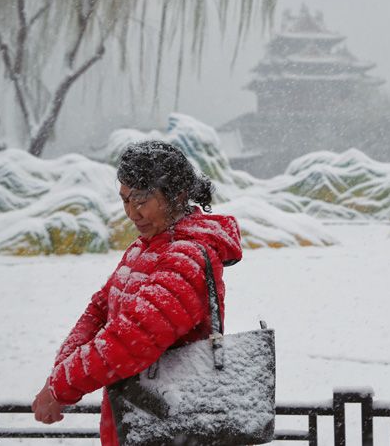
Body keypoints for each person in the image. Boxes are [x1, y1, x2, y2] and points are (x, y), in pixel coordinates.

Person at [31, 140, 242, 446]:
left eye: (141, 200)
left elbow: (132, 339)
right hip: (134, 418)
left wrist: (62, 386)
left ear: (177, 194)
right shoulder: (142, 249)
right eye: (125, 200)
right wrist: (61, 372)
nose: (131, 212)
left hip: (173, 423)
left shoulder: (188, 258)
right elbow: (99, 312)